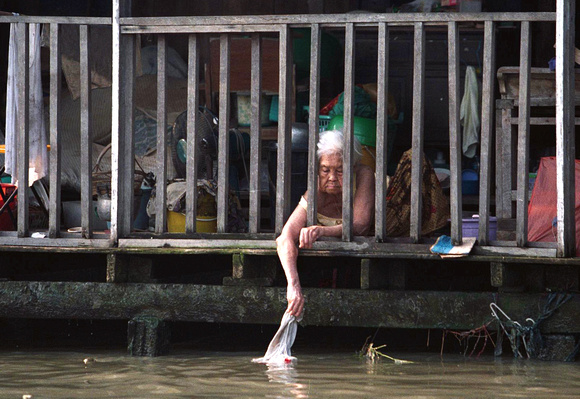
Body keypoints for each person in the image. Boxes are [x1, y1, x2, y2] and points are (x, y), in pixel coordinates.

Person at [276, 130, 375, 318]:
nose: (331, 177)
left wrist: (321, 231)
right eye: (325, 169)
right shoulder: (316, 190)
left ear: (352, 167)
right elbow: (284, 238)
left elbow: (360, 225)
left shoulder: (364, 174)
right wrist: (293, 285)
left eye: (339, 170)